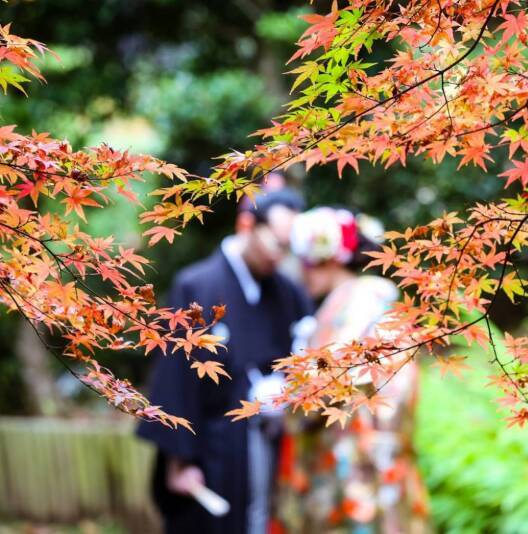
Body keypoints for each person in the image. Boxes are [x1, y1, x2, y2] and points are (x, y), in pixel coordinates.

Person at [137, 186, 313, 534]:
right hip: (211, 445)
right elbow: (176, 380)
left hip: (269, 443)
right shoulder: (197, 285)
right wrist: (179, 459)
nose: (280, 256)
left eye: (288, 247)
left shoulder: (289, 293)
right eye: (276, 243)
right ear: (247, 225)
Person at [277, 206, 429, 534]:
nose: (302, 273)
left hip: (352, 466)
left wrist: (285, 403)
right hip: (381, 457)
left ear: (327, 259)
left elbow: (316, 392)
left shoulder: (352, 304)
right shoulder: (378, 302)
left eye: (306, 262)